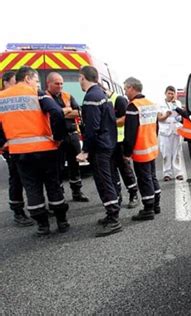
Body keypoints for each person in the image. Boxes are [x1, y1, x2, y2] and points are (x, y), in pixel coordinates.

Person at [0, 66, 69, 235]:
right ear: (28, 78)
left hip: (18, 151)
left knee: (32, 188)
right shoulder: (37, 93)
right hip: (45, 149)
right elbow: (57, 113)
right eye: (36, 80)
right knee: (52, 185)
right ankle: (61, 221)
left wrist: (3, 142)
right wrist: (58, 137)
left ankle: (42, 226)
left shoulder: (2, 97)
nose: (37, 84)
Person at [76, 66, 121, 237]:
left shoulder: (91, 97)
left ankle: (114, 218)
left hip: (100, 147)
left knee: (104, 182)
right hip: (108, 144)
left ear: (82, 78)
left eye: (79, 79)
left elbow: (91, 128)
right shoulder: (102, 94)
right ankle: (111, 214)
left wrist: (85, 151)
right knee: (108, 180)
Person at [46, 72, 89, 202]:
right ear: (49, 83)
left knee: (75, 165)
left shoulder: (67, 95)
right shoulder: (44, 97)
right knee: (57, 168)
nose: (60, 86)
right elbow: (49, 115)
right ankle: (60, 195)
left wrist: (60, 112)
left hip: (72, 135)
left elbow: (78, 112)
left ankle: (77, 192)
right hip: (55, 137)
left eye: (61, 83)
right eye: (57, 83)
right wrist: (66, 110)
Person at [123, 77, 161, 219]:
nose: (125, 91)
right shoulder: (151, 104)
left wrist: (126, 152)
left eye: (126, 88)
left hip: (141, 149)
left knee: (144, 179)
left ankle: (148, 209)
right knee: (152, 177)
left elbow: (130, 133)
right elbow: (156, 126)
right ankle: (156, 205)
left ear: (132, 88)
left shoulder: (133, 106)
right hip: (151, 146)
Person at [0, 71, 34, 226]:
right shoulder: (3, 98)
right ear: (6, 82)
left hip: (22, 144)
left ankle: (31, 207)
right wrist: (2, 142)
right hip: (10, 147)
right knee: (16, 178)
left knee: (27, 177)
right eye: (15, 81)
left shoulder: (15, 96)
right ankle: (17, 211)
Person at [105, 88, 139, 209]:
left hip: (120, 141)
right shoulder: (102, 100)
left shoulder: (119, 100)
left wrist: (109, 123)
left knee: (125, 170)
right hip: (108, 142)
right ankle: (117, 196)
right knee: (112, 171)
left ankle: (133, 194)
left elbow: (126, 118)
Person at [157, 86, 184, 181]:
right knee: (166, 153)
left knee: (177, 153)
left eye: (172, 93)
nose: (171, 95)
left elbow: (181, 116)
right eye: (169, 93)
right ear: (165, 93)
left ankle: (178, 173)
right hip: (165, 131)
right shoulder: (160, 104)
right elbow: (159, 118)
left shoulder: (178, 103)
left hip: (176, 130)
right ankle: (167, 173)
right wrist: (166, 115)